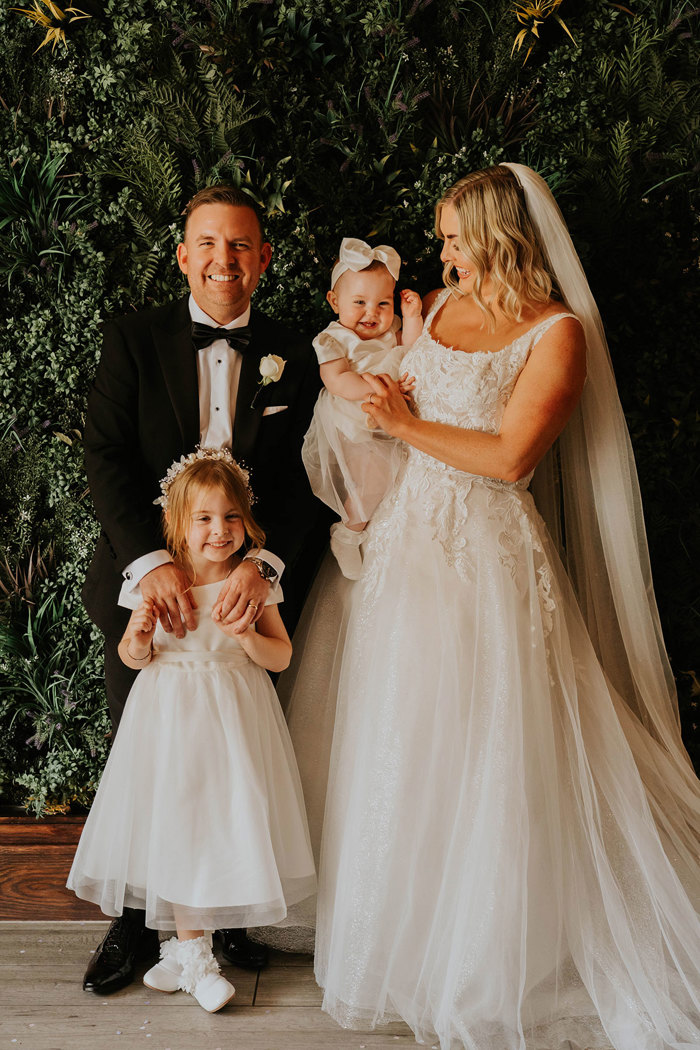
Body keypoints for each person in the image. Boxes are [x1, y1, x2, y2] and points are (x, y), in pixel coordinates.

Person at [291, 164, 700, 1048]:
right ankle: (399, 942)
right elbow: (366, 376)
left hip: (488, 555)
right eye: (440, 241)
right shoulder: (433, 309)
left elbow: (512, 458)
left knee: (491, 738)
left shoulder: (558, 335)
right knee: (407, 736)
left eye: (451, 239)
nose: (439, 257)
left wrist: (401, 426)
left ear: (499, 235)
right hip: (406, 551)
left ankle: (486, 951)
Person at [80, 185, 323, 994]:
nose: (226, 261)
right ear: (183, 254)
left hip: (246, 573)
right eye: (210, 245)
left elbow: (301, 477)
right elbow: (105, 457)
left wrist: (263, 564)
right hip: (145, 573)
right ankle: (138, 918)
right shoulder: (134, 338)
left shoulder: (296, 350)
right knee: (146, 749)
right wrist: (151, 564)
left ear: (262, 256)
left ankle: (225, 916)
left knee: (237, 756)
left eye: (243, 245)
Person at [68, 450, 316, 1012]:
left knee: (220, 826)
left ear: (246, 520)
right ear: (177, 523)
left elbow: (280, 655)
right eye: (204, 518)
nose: (220, 531)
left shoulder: (250, 582)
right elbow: (132, 657)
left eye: (231, 517)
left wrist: (248, 636)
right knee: (180, 826)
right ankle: (197, 961)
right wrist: (137, 635)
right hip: (171, 723)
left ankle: (180, 956)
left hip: (232, 724)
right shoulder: (155, 583)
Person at [302, 238, 422, 578]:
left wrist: (412, 317)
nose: (373, 312)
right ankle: (348, 532)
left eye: (383, 303)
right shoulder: (333, 339)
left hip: (395, 418)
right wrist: (380, 387)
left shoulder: (392, 330)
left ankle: (376, 536)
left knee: (396, 484)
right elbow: (337, 380)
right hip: (355, 419)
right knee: (370, 483)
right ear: (334, 301)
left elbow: (413, 350)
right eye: (360, 302)